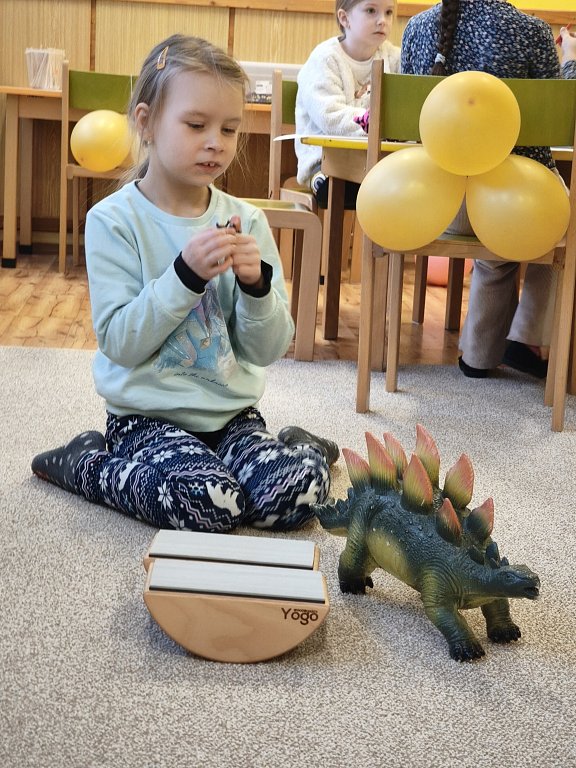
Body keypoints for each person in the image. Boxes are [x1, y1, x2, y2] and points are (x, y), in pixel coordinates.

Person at [31, 34, 339, 532]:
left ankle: (301, 447)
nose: (216, 141)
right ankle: (84, 463)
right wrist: (184, 276)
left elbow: (266, 350)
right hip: (145, 420)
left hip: (233, 418)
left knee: (300, 490)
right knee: (209, 505)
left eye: (230, 129)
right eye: (196, 125)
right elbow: (120, 342)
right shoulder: (113, 221)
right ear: (146, 122)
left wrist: (257, 288)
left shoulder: (247, 221)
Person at [401, 1, 576, 379]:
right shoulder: (531, 31)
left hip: (432, 201)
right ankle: (526, 340)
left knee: (500, 253)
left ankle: (482, 357)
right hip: (509, 204)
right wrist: (572, 59)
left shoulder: (416, 27)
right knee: (567, 222)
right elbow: (561, 117)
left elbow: (408, 126)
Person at [295, 0, 400, 209]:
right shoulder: (325, 58)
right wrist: (376, 123)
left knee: (404, 190)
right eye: (371, 11)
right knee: (367, 191)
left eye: (388, 12)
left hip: (378, 162)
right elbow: (330, 115)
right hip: (326, 163)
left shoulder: (394, 57)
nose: (382, 21)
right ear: (344, 18)